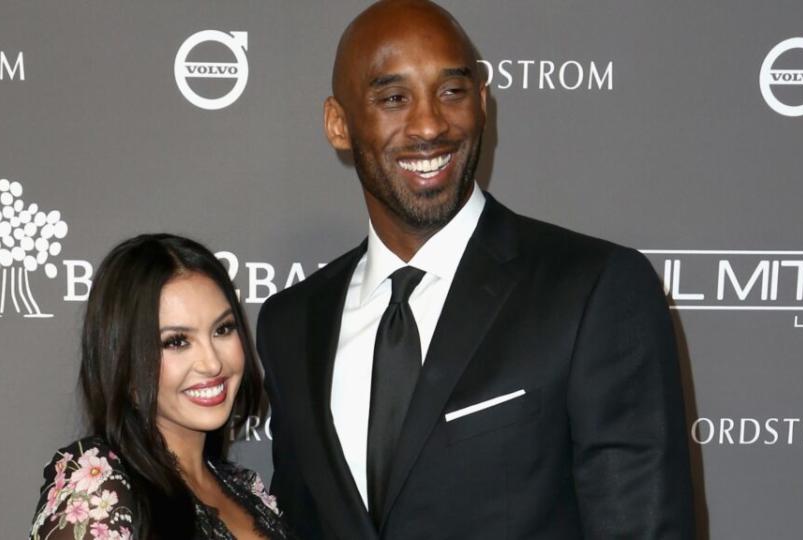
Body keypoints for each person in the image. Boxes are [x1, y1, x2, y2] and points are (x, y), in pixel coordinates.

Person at [256, 1, 695, 539]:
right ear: (339, 124)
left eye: (452, 92)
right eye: (394, 98)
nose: (429, 124)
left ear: (482, 103)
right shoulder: (292, 323)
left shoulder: (594, 290)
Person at [29, 234, 291, 540]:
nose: (212, 363)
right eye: (177, 342)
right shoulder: (97, 480)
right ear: (123, 361)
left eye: (223, 329)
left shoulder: (246, 489)